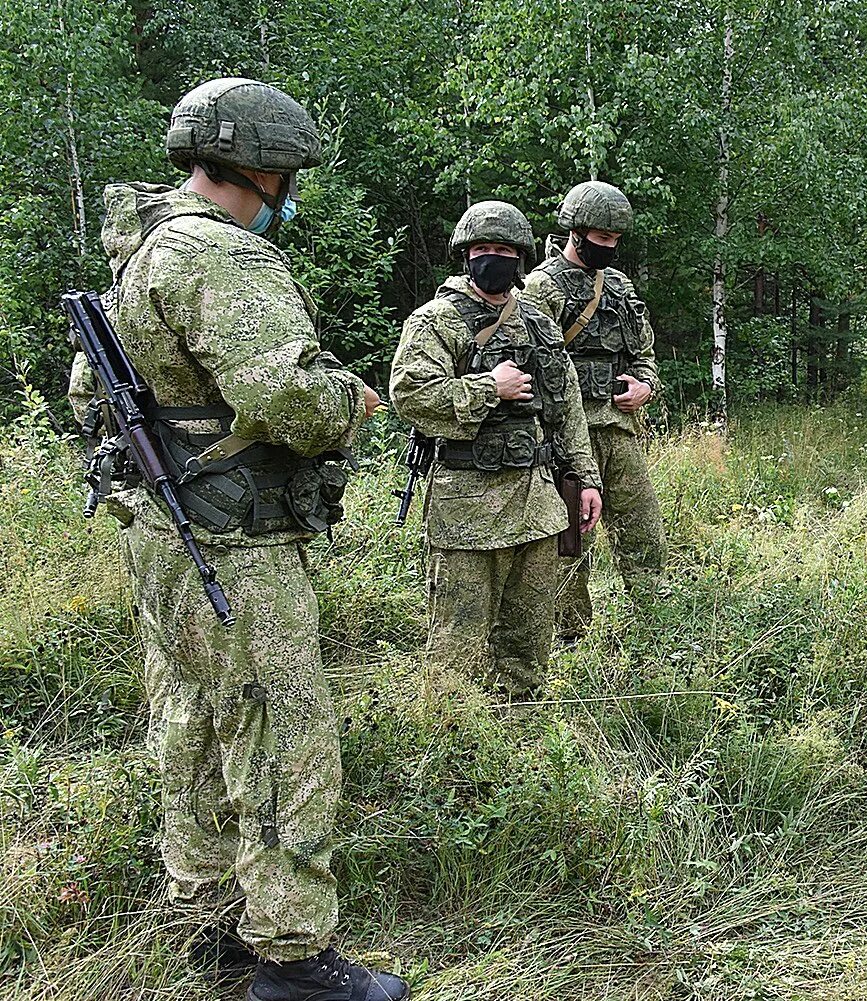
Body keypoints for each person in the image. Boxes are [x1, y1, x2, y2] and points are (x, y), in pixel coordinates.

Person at [68, 78, 407, 1000]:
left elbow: (83, 398)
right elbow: (289, 398)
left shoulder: (136, 253)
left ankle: (204, 916)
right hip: (236, 540)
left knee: (190, 718)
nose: (290, 190)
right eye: (288, 173)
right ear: (257, 166)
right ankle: (294, 957)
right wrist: (350, 400)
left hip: (162, 532)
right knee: (282, 729)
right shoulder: (222, 256)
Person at [390, 200, 602, 696]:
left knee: (528, 642)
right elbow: (411, 395)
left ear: (520, 257)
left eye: (503, 249)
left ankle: (520, 732)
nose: (492, 258)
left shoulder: (537, 321)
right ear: (465, 256)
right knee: (456, 646)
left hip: (538, 504)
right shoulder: (436, 320)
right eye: (482, 249)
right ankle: (450, 739)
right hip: (468, 508)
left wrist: (587, 478)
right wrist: (490, 388)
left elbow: (566, 404)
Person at [522, 181, 664, 642]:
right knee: (569, 542)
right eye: (602, 239)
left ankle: (650, 628)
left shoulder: (619, 288)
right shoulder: (541, 287)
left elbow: (644, 351)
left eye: (615, 240)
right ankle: (571, 641)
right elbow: (528, 360)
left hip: (618, 430)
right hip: (565, 436)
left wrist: (645, 385)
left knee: (643, 530)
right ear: (576, 232)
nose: (609, 247)